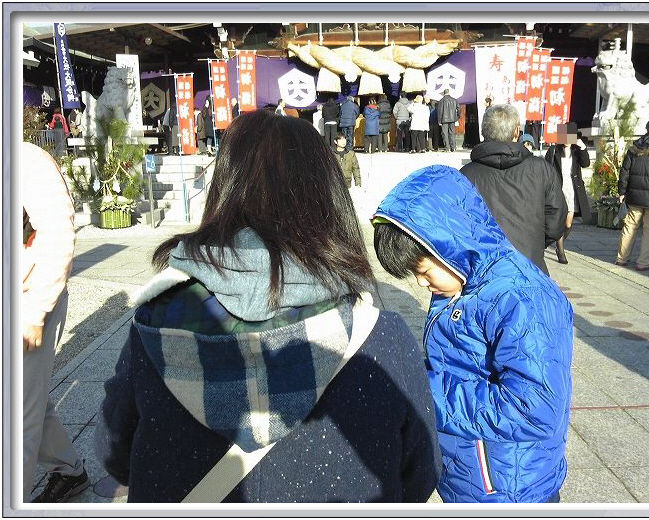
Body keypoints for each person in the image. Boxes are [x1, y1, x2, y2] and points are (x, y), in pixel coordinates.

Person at [95, 110, 441, 503]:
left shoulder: (158, 321)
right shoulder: (382, 337)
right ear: (330, 199)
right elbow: (421, 474)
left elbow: (114, 450)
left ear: (223, 190)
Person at [372, 164, 573, 503]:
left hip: (509, 490)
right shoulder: (460, 281)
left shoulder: (522, 298)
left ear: (451, 243)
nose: (421, 283)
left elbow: (535, 409)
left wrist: (421, 390)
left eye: (423, 270)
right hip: (471, 476)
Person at [22, 142, 89, 502]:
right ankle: (68, 469)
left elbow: (59, 234)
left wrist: (36, 313)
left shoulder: (26, 159)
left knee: (16, 417)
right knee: (27, 400)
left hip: (27, 300)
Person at [460, 104, 567, 275]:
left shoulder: (466, 175)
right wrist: (534, 242)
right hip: (529, 265)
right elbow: (556, 220)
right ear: (517, 132)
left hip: (484, 269)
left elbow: (458, 225)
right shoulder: (541, 169)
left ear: (483, 132)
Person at [615, 118, 649, 271]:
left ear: (646, 129)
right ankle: (644, 262)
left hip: (634, 196)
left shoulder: (634, 148)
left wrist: (622, 192)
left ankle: (622, 258)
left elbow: (625, 171)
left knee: (630, 226)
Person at [544, 125, 591, 264]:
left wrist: (583, 148)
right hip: (558, 188)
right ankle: (560, 250)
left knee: (568, 224)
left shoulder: (577, 150)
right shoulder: (554, 150)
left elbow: (586, 164)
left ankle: (558, 242)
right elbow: (546, 168)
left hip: (572, 187)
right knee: (559, 219)